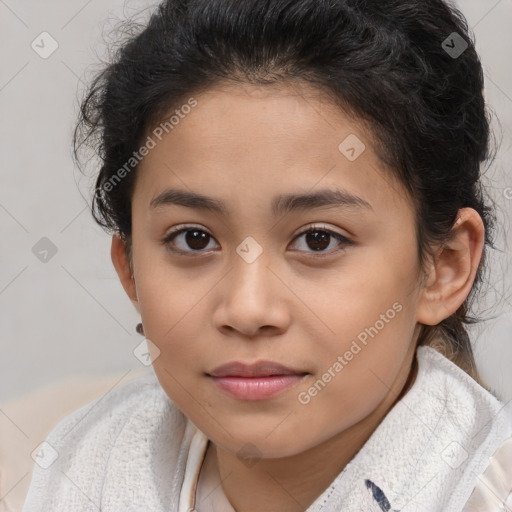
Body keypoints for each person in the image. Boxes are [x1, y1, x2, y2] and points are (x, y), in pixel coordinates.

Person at [22, 0, 512, 511]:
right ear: (131, 273)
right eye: (193, 239)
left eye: (318, 240)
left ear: (443, 267)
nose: (248, 310)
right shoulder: (78, 471)